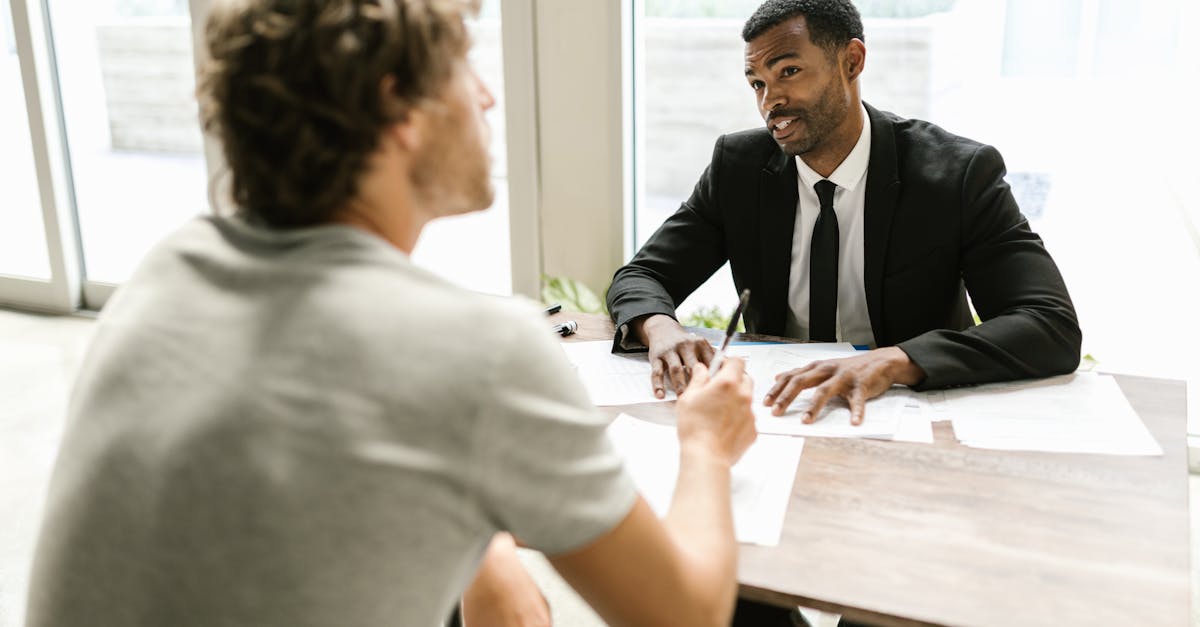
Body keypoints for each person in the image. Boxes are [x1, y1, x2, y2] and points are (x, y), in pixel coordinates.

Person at [23, 2, 759, 626]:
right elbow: (687, 612)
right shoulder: (481, 350)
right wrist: (705, 445)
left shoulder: (166, 270)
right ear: (396, 108)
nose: (487, 97)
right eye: (465, 66)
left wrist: (484, 541)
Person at [607, 0, 1082, 427]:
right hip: (779, 414)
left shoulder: (956, 175)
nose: (769, 102)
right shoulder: (740, 167)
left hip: (908, 416)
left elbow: (1048, 324)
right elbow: (644, 275)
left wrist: (894, 361)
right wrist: (661, 327)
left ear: (851, 61)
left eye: (788, 71)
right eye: (758, 82)